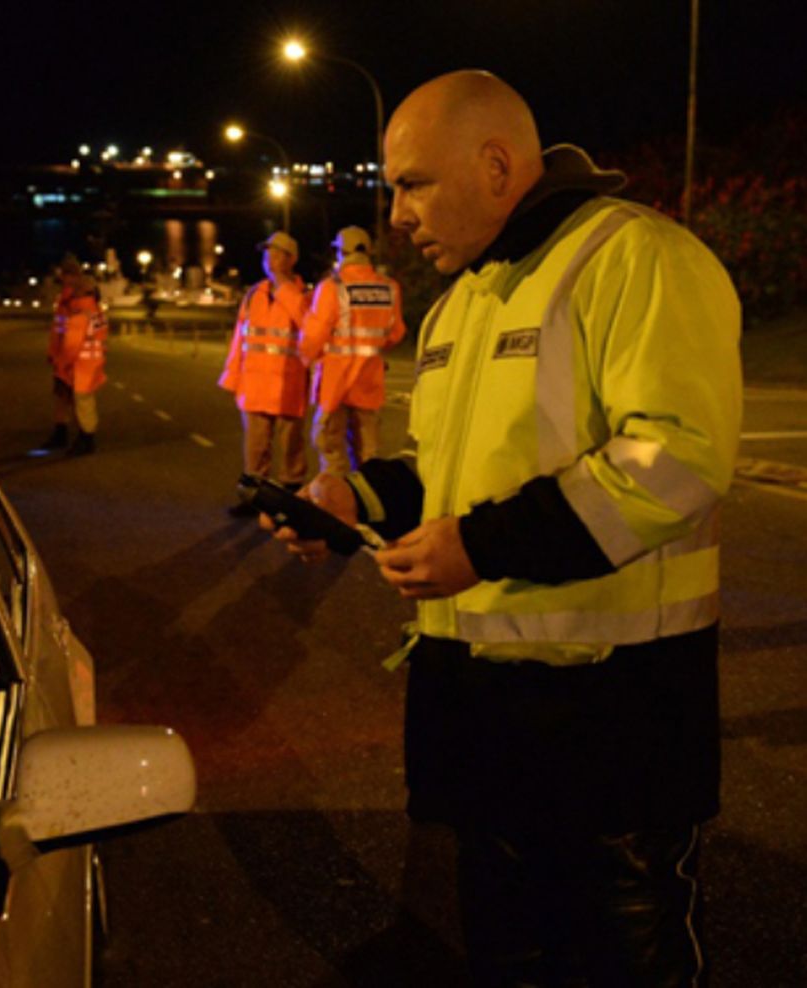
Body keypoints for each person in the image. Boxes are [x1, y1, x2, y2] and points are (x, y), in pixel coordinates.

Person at [270, 70, 741, 987]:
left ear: (495, 166)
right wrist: (354, 503)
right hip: (486, 721)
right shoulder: (464, 300)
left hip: (615, 725)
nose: (396, 213)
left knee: (620, 962)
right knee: (509, 956)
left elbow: (675, 461)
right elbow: (451, 474)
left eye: (411, 183)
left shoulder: (633, 259)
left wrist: (480, 548)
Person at [217, 231, 312, 515]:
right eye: (266, 253)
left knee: (291, 449)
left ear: (292, 259)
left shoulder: (304, 296)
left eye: (277, 253)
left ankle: (291, 499)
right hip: (255, 385)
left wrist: (284, 288)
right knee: (255, 449)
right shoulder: (253, 295)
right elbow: (240, 340)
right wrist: (233, 377)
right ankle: (252, 500)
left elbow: (307, 324)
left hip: (289, 385)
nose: (268, 259)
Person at [300, 226, 407, 474]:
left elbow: (313, 337)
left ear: (340, 252)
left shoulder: (331, 287)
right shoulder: (389, 287)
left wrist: (307, 358)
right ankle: (368, 505)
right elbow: (396, 333)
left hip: (336, 383)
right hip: (370, 380)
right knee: (368, 452)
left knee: (331, 449)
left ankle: (335, 506)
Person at [41, 256, 108, 454]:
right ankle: (81, 436)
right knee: (79, 400)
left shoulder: (76, 311)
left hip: (77, 364)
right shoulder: (95, 311)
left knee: (79, 400)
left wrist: (59, 360)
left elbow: (70, 342)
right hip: (90, 363)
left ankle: (84, 438)